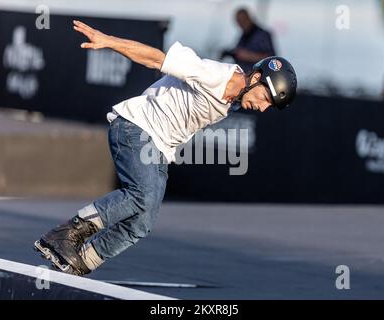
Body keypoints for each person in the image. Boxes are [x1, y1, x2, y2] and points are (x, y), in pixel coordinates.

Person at [34, 20, 297, 276]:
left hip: (159, 146)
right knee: (141, 195)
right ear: (256, 77)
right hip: (135, 126)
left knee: (143, 222)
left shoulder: (238, 96)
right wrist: (108, 41)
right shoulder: (212, 75)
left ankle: (82, 261)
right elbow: (155, 58)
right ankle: (65, 234)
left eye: (269, 106)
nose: (262, 107)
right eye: (264, 98)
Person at [221, 8, 277, 73]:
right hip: (243, 76)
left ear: (249, 18)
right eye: (239, 21)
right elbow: (239, 53)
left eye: (243, 20)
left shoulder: (263, 35)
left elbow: (272, 59)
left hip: (258, 77)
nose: (241, 23)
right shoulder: (243, 36)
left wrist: (248, 56)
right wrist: (231, 53)